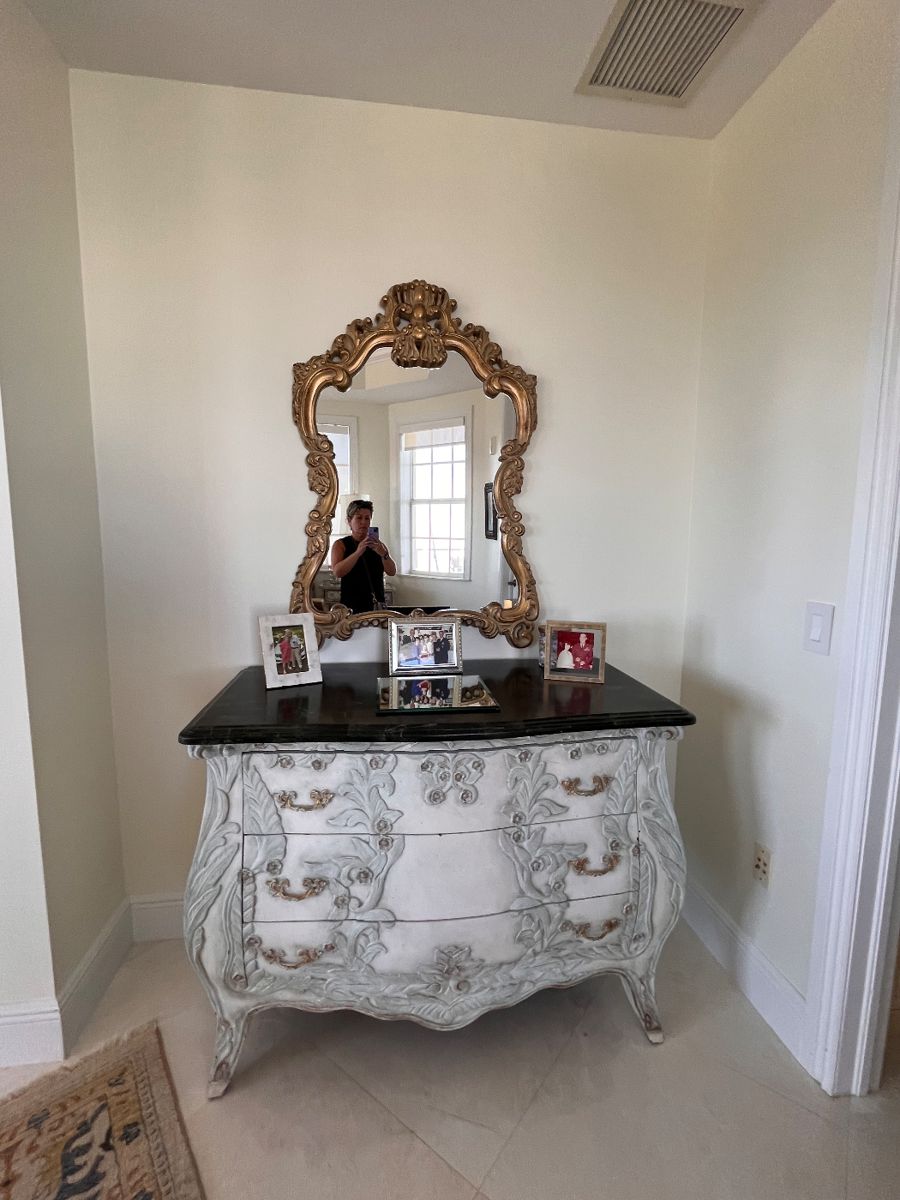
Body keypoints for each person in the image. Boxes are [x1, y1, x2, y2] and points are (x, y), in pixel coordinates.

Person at [330, 499, 396, 614]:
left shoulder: (378, 545)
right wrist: (358, 552)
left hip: (376, 606)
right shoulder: (341, 545)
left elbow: (392, 571)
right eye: (359, 518)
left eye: (367, 518)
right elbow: (337, 572)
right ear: (349, 521)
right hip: (351, 606)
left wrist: (384, 554)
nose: (363, 522)